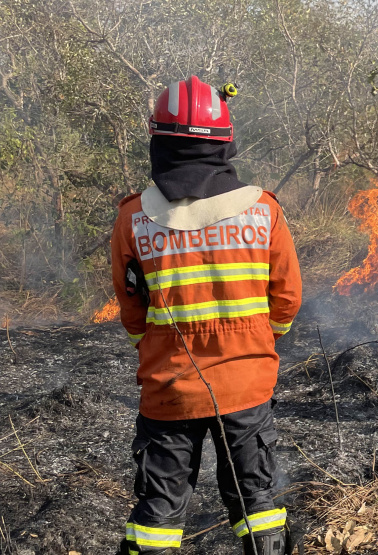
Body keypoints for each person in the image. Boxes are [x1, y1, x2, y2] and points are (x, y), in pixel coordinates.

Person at [111, 76, 302, 555]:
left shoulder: (133, 217)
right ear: (225, 143)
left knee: (159, 512)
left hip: (168, 388)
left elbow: (132, 308)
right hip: (248, 383)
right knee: (256, 501)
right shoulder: (263, 211)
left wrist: (157, 349)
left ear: (160, 143)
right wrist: (258, 342)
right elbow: (287, 299)